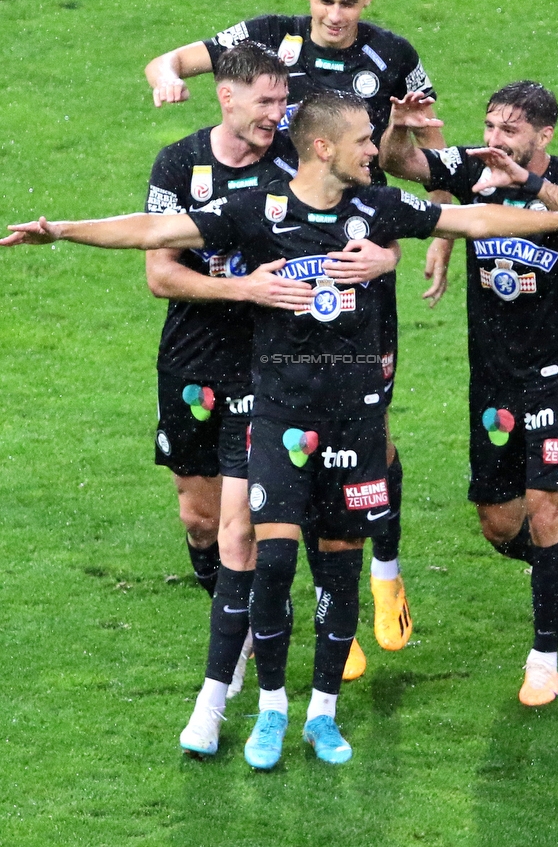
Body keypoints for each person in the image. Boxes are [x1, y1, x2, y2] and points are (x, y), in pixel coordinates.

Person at [3, 90, 558, 763]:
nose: (376, 150)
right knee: (273, 561)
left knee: (338, 575)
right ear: (325, 148)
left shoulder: (377, 208)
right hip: (281, 414)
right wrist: (63, 230)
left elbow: (476, 220)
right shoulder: (258, 210)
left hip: (358, 419)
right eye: (365, 139)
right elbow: (156, 232)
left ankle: (324, 715)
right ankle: (272, 709)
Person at [145, 0, 449, 667]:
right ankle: (292, 613)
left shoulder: (396, 57)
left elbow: (418, 155)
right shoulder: (264, 37)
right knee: (276, 464)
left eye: (349, 3)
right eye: (324, 1)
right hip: (278, 266)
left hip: (354, 276)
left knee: (362, 435)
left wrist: (420, 240)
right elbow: (175, 60)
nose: (335, 16)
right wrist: (162, 76)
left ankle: (381, 574)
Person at [142, 42, 398, 754]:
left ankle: (221, 696)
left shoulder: (298, 163)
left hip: (272, 375)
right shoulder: (178, 165)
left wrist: (393, 255)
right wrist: (243, 288)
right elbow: (160, 274)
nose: (276, 115)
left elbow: (368, 216)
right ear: (226, 97)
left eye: (284, 103)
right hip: (194, 362)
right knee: (200, 521)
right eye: (265, 102)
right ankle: (245, 624)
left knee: (245, 536)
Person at [379, 80, 558, 706]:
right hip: (494, 383)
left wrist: (528, 183)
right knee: (499, 526)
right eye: (491, 126)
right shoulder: (473, 167)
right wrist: (400, 125)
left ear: (543, 137)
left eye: (510, 131)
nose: (495, 141)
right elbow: (399, 164)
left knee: (548, 513)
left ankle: (543, 657)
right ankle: (555, 568)